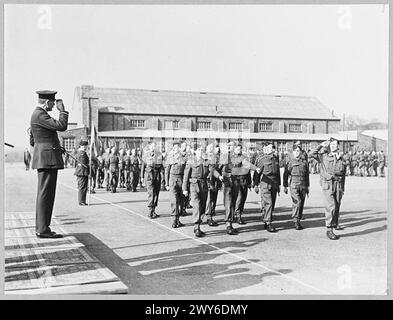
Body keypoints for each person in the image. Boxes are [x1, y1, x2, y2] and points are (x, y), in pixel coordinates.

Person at [29, 90, 68, 238]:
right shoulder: (40, 114)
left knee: (45, 193)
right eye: (52, 102)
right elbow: (61, 125)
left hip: (45, 158)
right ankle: (42, 229)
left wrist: (54, 146)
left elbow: (34, 139)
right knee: (46, 194)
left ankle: (42, 227)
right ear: (46, 102)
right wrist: (62, 110)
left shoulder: (37, 114)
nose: (53, 104)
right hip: (47, 159)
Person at [308, 138, 346, 240]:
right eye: (331, 144)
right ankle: (329, 229)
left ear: (338, 146)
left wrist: (342, 187)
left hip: (338, 185)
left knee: (337, 205)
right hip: (328, 184)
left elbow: (344, 174)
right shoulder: (323, 156)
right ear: (329, 146)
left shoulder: (341, 158)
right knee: (331, 206)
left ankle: (335, 224)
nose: (333, 146)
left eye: (335, 144)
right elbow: (310, 154)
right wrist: (321, 145)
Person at [183, 145, 221, 237]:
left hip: (204, 185)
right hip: (194, 185)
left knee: (202, 207)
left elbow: (212, 170)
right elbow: (186, 176)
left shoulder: (206, 161)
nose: (201, 151)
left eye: (202, 150)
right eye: (199, 150)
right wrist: (184, 189)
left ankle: (198, 224)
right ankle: (197, 227)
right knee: (196, 205)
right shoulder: (191, 161)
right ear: (195, 152)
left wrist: (219, 176)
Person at [253, 142, 281, 232]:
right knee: (269, 203)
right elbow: (257, 173)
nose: (269, 150)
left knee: (272, 204)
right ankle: (268, 222)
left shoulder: (276, 159)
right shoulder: (262, 160)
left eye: (271, 148)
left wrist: (279, 184)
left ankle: (266, 219)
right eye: (267, 148)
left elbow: (278, 173)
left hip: (274, 184)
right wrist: (256, 185)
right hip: (265, 183)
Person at [283, 143, 310, 230]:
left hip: (303, 184)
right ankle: (296, 221)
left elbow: (307, 175)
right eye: (296, 151)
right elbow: (285, 174)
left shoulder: (305, 162)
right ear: (293, 152)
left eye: (299, 151)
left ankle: (298, 218)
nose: (297, 152)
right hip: (294, 184)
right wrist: (285, 186)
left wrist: (308, 185)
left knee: (301, 203)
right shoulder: (290, 162)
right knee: (297, 201)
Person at [231, 144, 259, 225]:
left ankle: (238, 214)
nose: (239, 150)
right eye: (237, 149)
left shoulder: (244, 157)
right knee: (238, 199)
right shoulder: (232, 158)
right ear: (234, 149)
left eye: (240, 149)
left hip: (244, 181)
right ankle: (237, 215)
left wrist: (249, 183)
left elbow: (248, 171)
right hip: (236, 181)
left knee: (243, 199)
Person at [165, 141, 187, 228]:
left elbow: (186, 171)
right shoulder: (170, 157)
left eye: (178, 148)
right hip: (172, 180)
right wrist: (166, 183)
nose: (177, 150)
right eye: (175, 148)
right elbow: (167, 171)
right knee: (174, 201)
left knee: (181, 200)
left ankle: (178, 219)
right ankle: (174, 220)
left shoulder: (183, 158)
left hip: (181, 180)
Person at [141, 141, 163, 219]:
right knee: (151, 193)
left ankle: (153, 210)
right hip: (149, 175)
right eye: (152, 146)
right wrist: (142, 177)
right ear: (149, 147)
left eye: (155, 146)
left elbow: (161, 166)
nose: (153, 147)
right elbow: (143, 166)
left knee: (156, 192)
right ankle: (150, 211)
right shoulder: (146, 155)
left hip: (157, 175)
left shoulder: (159, 155)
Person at [205, 143, 221, 227]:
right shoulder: (204, 158)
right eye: (209, 147)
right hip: (208, 181)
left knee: (214, 199)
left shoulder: (216, 158)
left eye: (212, 147)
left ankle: (211, 212)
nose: (211, 149)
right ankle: (209, 217)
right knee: (209, 199)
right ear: (207, 149)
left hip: (215, 181)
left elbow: (218, 169)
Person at [74, 139, 90, 205]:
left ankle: (82, 201)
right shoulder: (82, 154)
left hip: (81, 172)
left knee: (83, 187)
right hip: (82, 172)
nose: (86, 147)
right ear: (82, 146)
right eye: (85, 146)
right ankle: (81, 201)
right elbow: (84, 164)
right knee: (82, 187)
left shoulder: (80, 153)